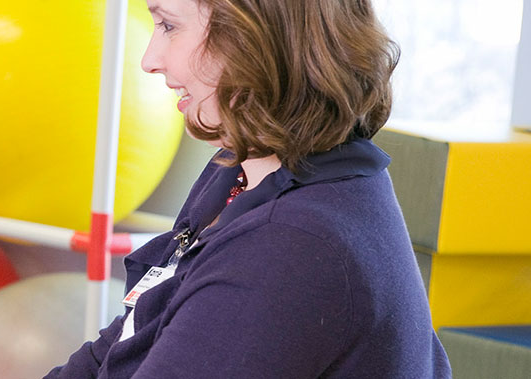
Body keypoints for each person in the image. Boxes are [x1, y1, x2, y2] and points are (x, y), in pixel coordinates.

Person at [46, 0, 450, 377]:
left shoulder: (289, 246)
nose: (150, 59)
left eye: (169, 25)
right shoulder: (241, 171)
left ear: (253, 36)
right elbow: (125, 341)